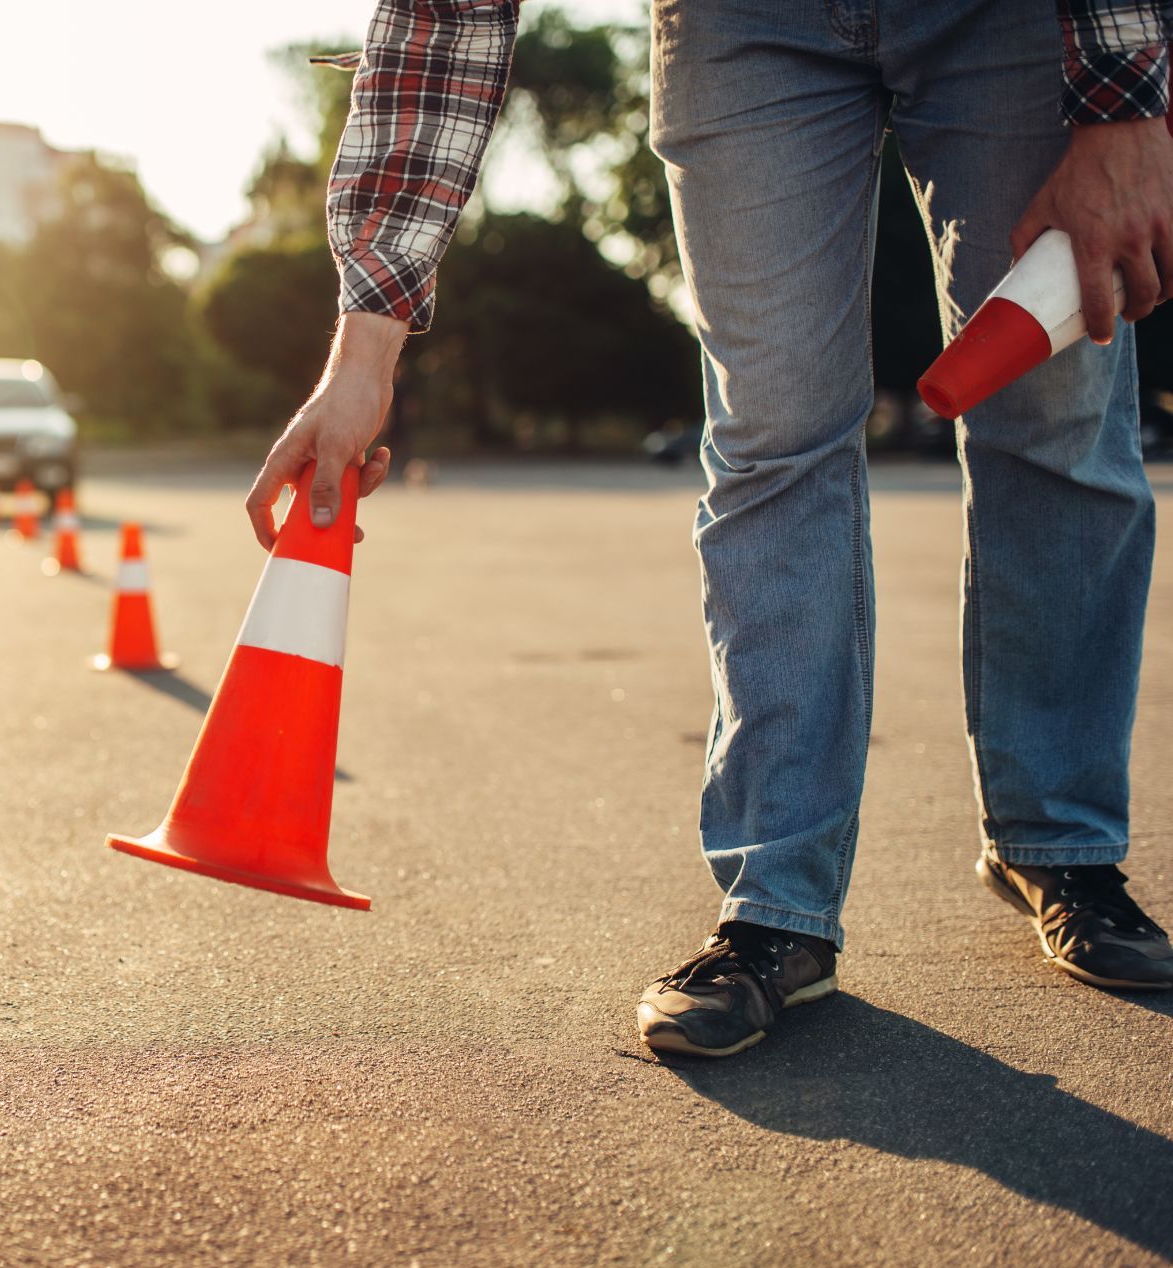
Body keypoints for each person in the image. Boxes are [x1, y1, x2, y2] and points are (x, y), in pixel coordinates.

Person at [250, 0, 1173, 1058]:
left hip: (1014, 20)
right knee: (772, 437)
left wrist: (1126, 102)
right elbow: (447, 19)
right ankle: (777, 905)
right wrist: (360, 356)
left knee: (1056, 410)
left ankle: (1061, 840)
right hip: (745, 25)